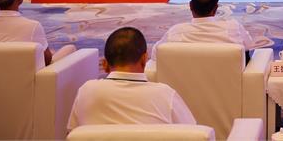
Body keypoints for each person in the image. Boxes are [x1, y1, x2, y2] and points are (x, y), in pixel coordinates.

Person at [67, 27, 195, 130]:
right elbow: (194, 133)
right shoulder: (165, 95)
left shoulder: (86, 91)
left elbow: (72, 134)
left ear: (104, 64)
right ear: (144, 59)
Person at [150, 0, 255, 64]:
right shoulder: (233, 28)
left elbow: (155, 57)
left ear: (190, 6)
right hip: (230, 84)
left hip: (182, 86)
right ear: (216, 8)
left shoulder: (175, 32)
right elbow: (249, 48)